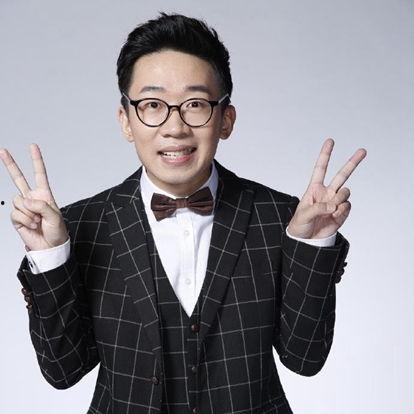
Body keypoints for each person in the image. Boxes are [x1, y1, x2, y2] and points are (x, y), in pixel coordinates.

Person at [0, 12, 366, 414]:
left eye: (195, 104)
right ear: (126, 121)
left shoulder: (282, 218)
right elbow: (63, 370)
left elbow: (305, 358)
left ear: (226, 120)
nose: (174, 127)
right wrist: (51, 255)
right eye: (152, 105)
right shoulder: (81, 225)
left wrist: (312, 245)